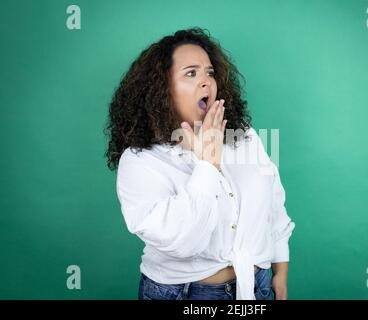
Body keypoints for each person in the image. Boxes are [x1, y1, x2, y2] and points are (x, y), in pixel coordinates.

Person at [104, 27, 295, 300]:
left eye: (210, 72)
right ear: (161, 88)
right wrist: (207, 165)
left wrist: (281, 274)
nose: (206, 81)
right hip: (184, 293)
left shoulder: (245, 138)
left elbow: (273, 206)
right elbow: (183, 242)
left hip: (257, 286)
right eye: (191, 73)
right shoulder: (140, 161)